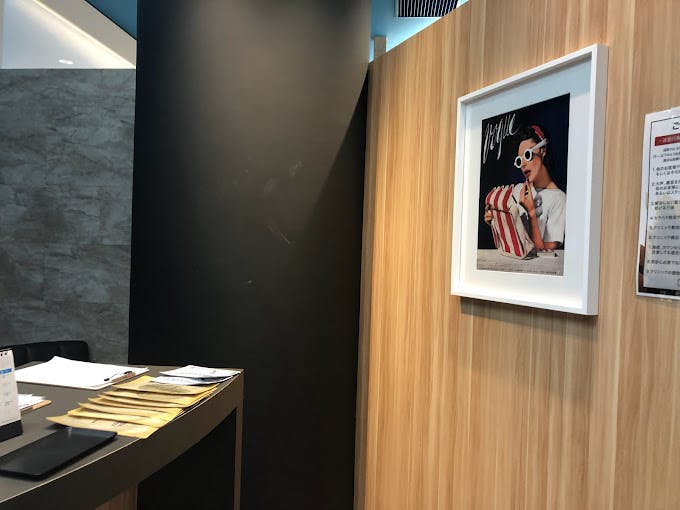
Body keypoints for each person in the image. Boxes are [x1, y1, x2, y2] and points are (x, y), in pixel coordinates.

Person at [484, 124, 566, 251]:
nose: (523, 164)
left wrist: (531, 212)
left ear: (543, 151)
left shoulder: (559, 199)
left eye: (528, 155)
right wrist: (494, 219)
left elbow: (545, 251)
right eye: (519, 160)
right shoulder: (517, 190)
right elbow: (510, 239)